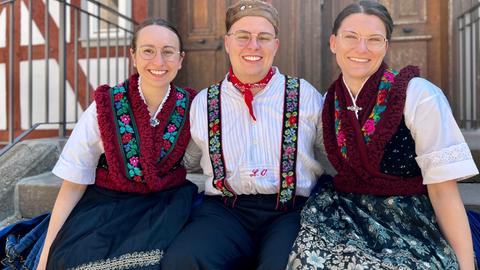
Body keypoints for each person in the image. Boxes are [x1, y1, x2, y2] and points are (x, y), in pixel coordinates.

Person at [287, 1, 479, 269]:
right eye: (350, 37)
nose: (361, 48)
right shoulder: (329, 101)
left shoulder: (419, 96)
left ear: (386, 46)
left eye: (374, 39)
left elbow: (443, 192)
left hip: (409, 216)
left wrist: (466, 265)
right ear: (333, 43)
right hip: (346, 213)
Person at [161, 1, 326, 269]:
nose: (253, 46)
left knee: (286, 264)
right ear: (227, 43)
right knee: (184, 260)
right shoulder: (204, 102)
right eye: (243, 37)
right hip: (225, 212)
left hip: (289, 212)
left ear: (276, 45)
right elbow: (189, 159)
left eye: (263, 37)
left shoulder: (304, 95)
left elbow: (331, 152)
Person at [37, 18, 197, 269]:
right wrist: (45, 255)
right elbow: (74, 181)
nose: (158, 62)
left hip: (168, 204)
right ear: (133, 56)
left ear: (180, 59)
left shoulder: (191, 107)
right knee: (71, 259)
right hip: (108, 205)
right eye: (148, 51)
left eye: (168, 52)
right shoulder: (105, 107)